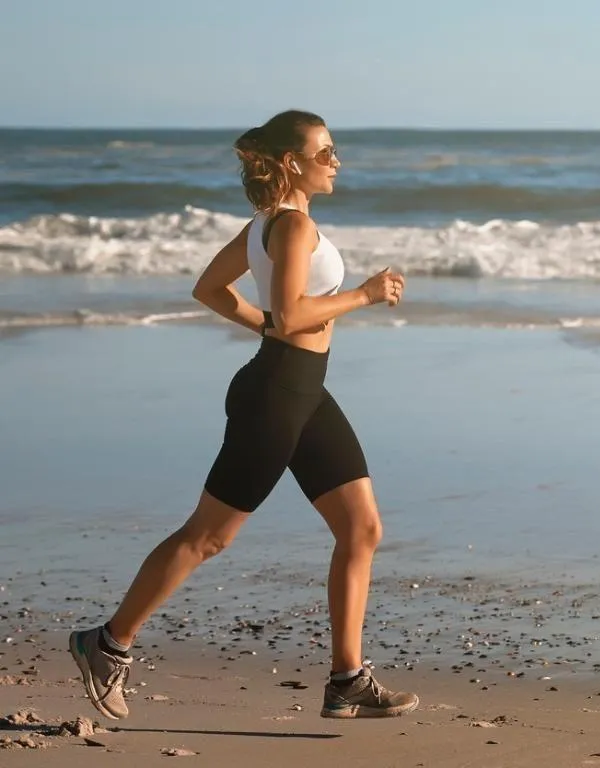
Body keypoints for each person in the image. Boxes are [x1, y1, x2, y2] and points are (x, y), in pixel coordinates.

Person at [69, 109, 419, 720]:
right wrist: (362, 295)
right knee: (208, 535)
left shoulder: (269, 223)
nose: (336, 161)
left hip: (302, 389)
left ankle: (347, 678)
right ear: (293, 162)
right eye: (325, 152)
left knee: (361, 528)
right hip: (276, 395)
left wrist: (266, 324)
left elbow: (211, 289)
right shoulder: (290, 228)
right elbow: (289, 314)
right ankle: (106, 644)